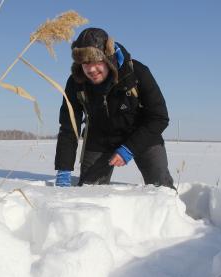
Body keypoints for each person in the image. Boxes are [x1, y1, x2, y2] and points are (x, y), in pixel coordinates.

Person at [54, 27, 175, 189]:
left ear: (108, 57)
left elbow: (159, 117)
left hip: (142, 136)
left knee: (161, 187)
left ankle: (170, 210)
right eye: (85, 63)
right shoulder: (76, 82)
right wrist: (64, 169)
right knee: (88, 190)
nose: (91, 69)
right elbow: (69, 126)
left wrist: (129, 149)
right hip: (100, 138)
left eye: (97, 61)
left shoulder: (137, 73)